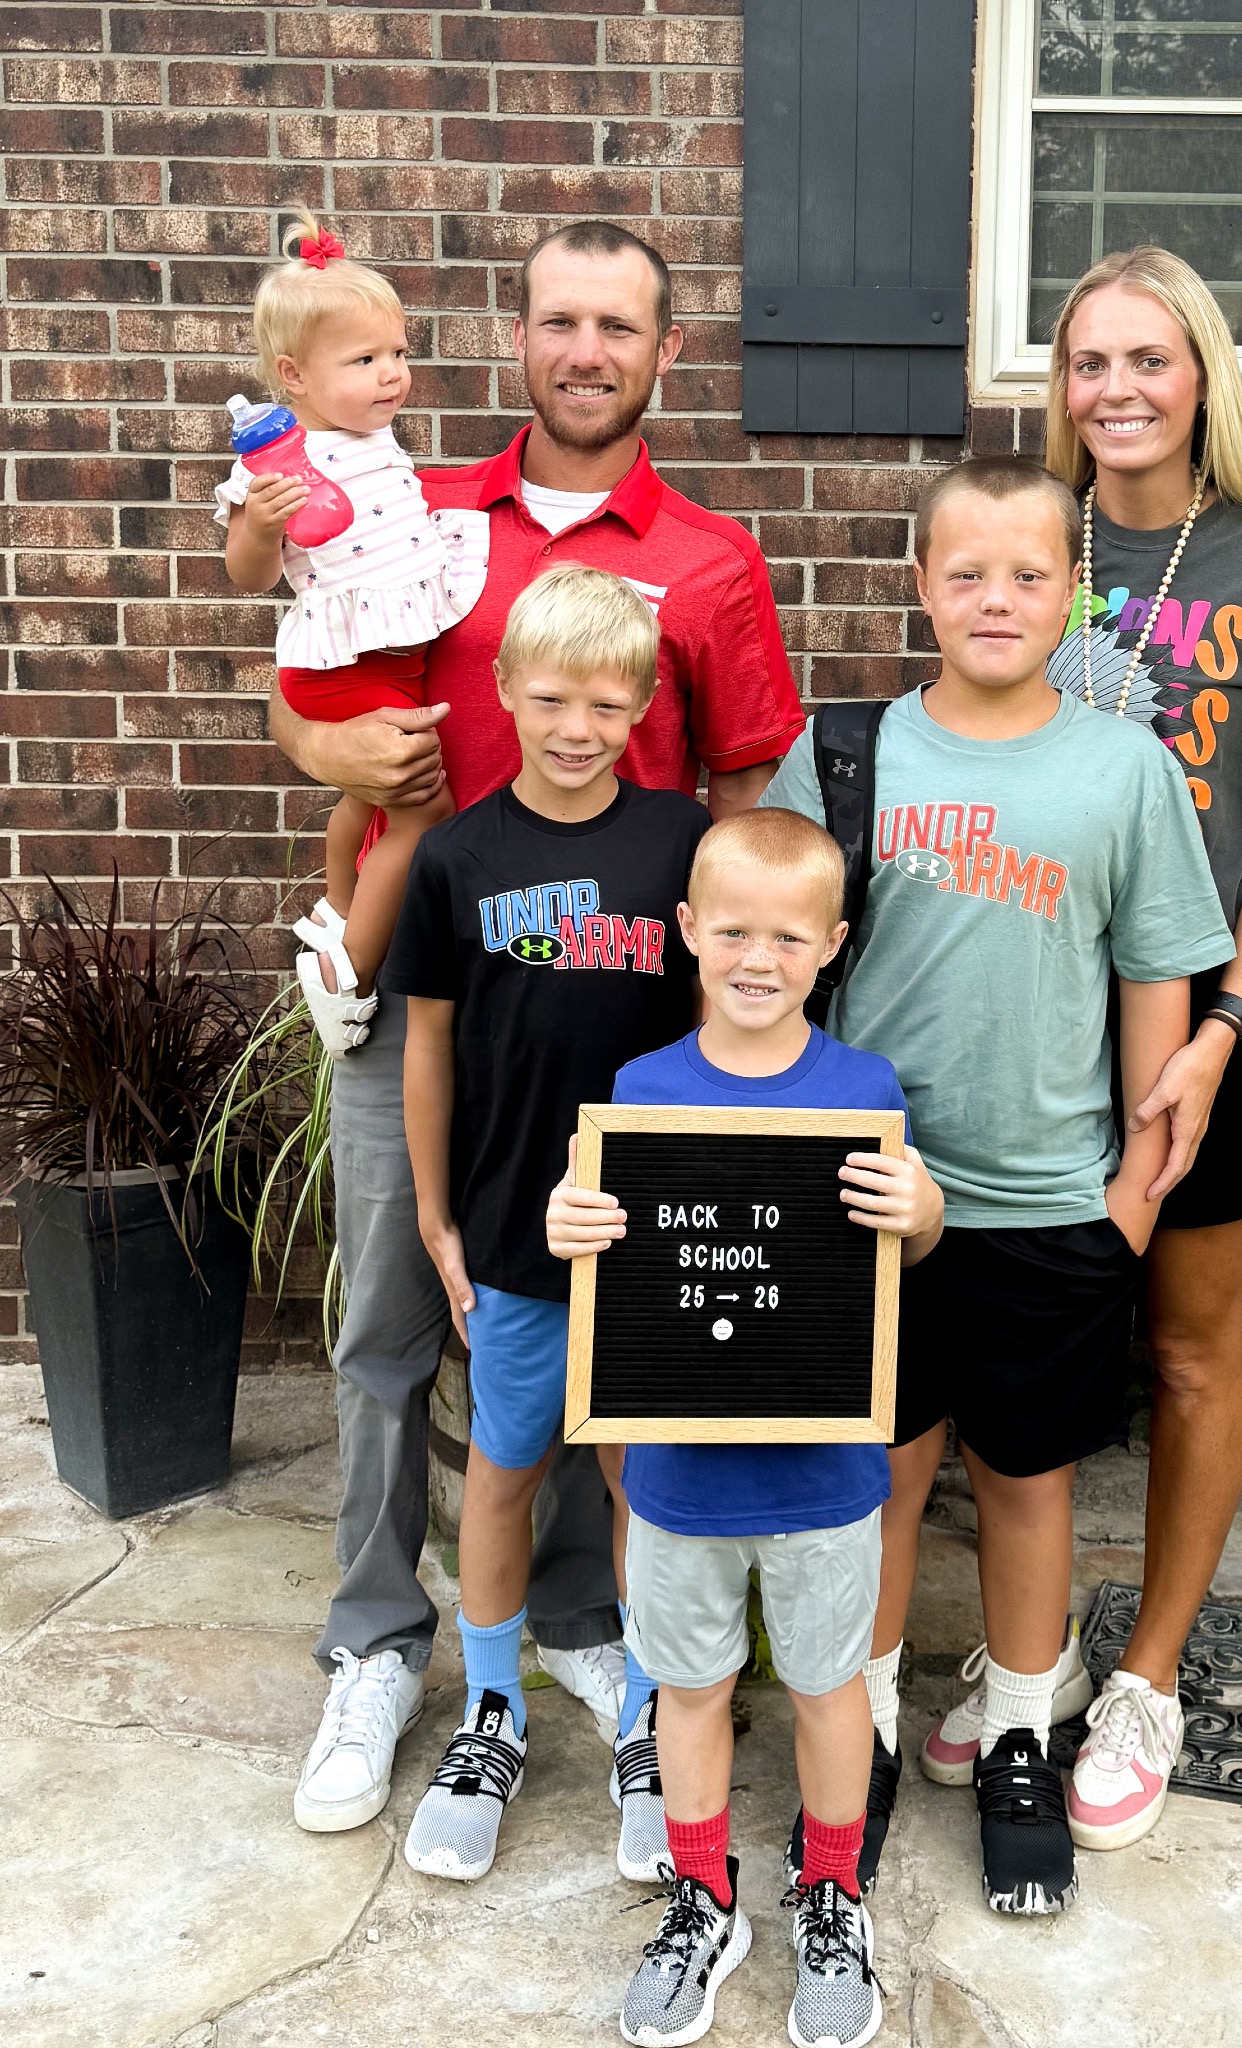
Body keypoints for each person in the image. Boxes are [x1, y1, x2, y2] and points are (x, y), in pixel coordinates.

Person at [272, 221, 804, 1837]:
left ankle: (582, 1622)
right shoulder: (416, 514)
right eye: (559, 320)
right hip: (437, 992)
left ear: (664, 350)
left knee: (599, 1345)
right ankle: (378, 1638)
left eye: (618, 326)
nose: (586, 351)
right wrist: (332, 764)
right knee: (392, 1320)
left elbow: (744, 801)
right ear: (518, 335)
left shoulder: (709, 560)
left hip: (619, 1019)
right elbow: (310, 686)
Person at [760, 456, 1234, 1915]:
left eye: (1027, 574)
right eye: (963, 572)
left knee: (1027, 1482)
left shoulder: (1123, 770)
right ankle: (864, 1731)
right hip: (867, 1197)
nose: (994, 599)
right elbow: (768, 961)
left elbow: (1153, 984)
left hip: (1046, 1204)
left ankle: (1022, 1730)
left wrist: (1129, 1201)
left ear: (1070, 596)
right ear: (919, 585)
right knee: (877, 1477)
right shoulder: (847, 756)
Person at [1035, 246, 1242, 1852]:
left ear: (1202, 375)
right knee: (1024, 1334)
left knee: (1185, 1347)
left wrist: (1225, 1024)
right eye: (1088, 361)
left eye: (1147, 358)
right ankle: (1024, 1651)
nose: (1117, 389)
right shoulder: (1032, 535)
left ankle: (1147, 1673)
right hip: (1037, 1003)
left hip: (1207, 1014)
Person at [547, 808, 944, 2047]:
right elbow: (612, 1261)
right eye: (730, 931)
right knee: (689, 1688)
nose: (756, 958)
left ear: (830, 943)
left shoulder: (863, 1091)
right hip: (680, 1476)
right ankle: (701, 1896)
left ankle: (830, 1892)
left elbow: (899, 1252)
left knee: (831, 1688)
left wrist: (922, 1206)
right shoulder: (641, 1094)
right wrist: (571, 1225)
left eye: (785, 935)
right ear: (686, 931)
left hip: (825, 1474)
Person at [379, 562, 708, 1882]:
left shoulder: (680, 841)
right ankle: (491, 1707)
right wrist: (434, 1213)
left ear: (643, 706)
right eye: (555, 698)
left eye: (609, 705)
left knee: (640, 1477)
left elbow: (724, 1028)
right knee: (503, 1467)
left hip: (649, 1235)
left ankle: (648, 1718)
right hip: (513, 1228)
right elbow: (427, 1047)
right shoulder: (458, 856)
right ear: (506, 690)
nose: (580, 728)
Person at [216, 212, 488, 1053]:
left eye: (397, 353)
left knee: (365, 795)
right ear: (293, 376)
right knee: (423, 809)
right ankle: (348, 971)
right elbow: (248, 575)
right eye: (364, 360)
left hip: (391, 658)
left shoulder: (374, 438)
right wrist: (262, 525)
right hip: (342, 663)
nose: (391, 374)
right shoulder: (279, 465)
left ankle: (338, 906)